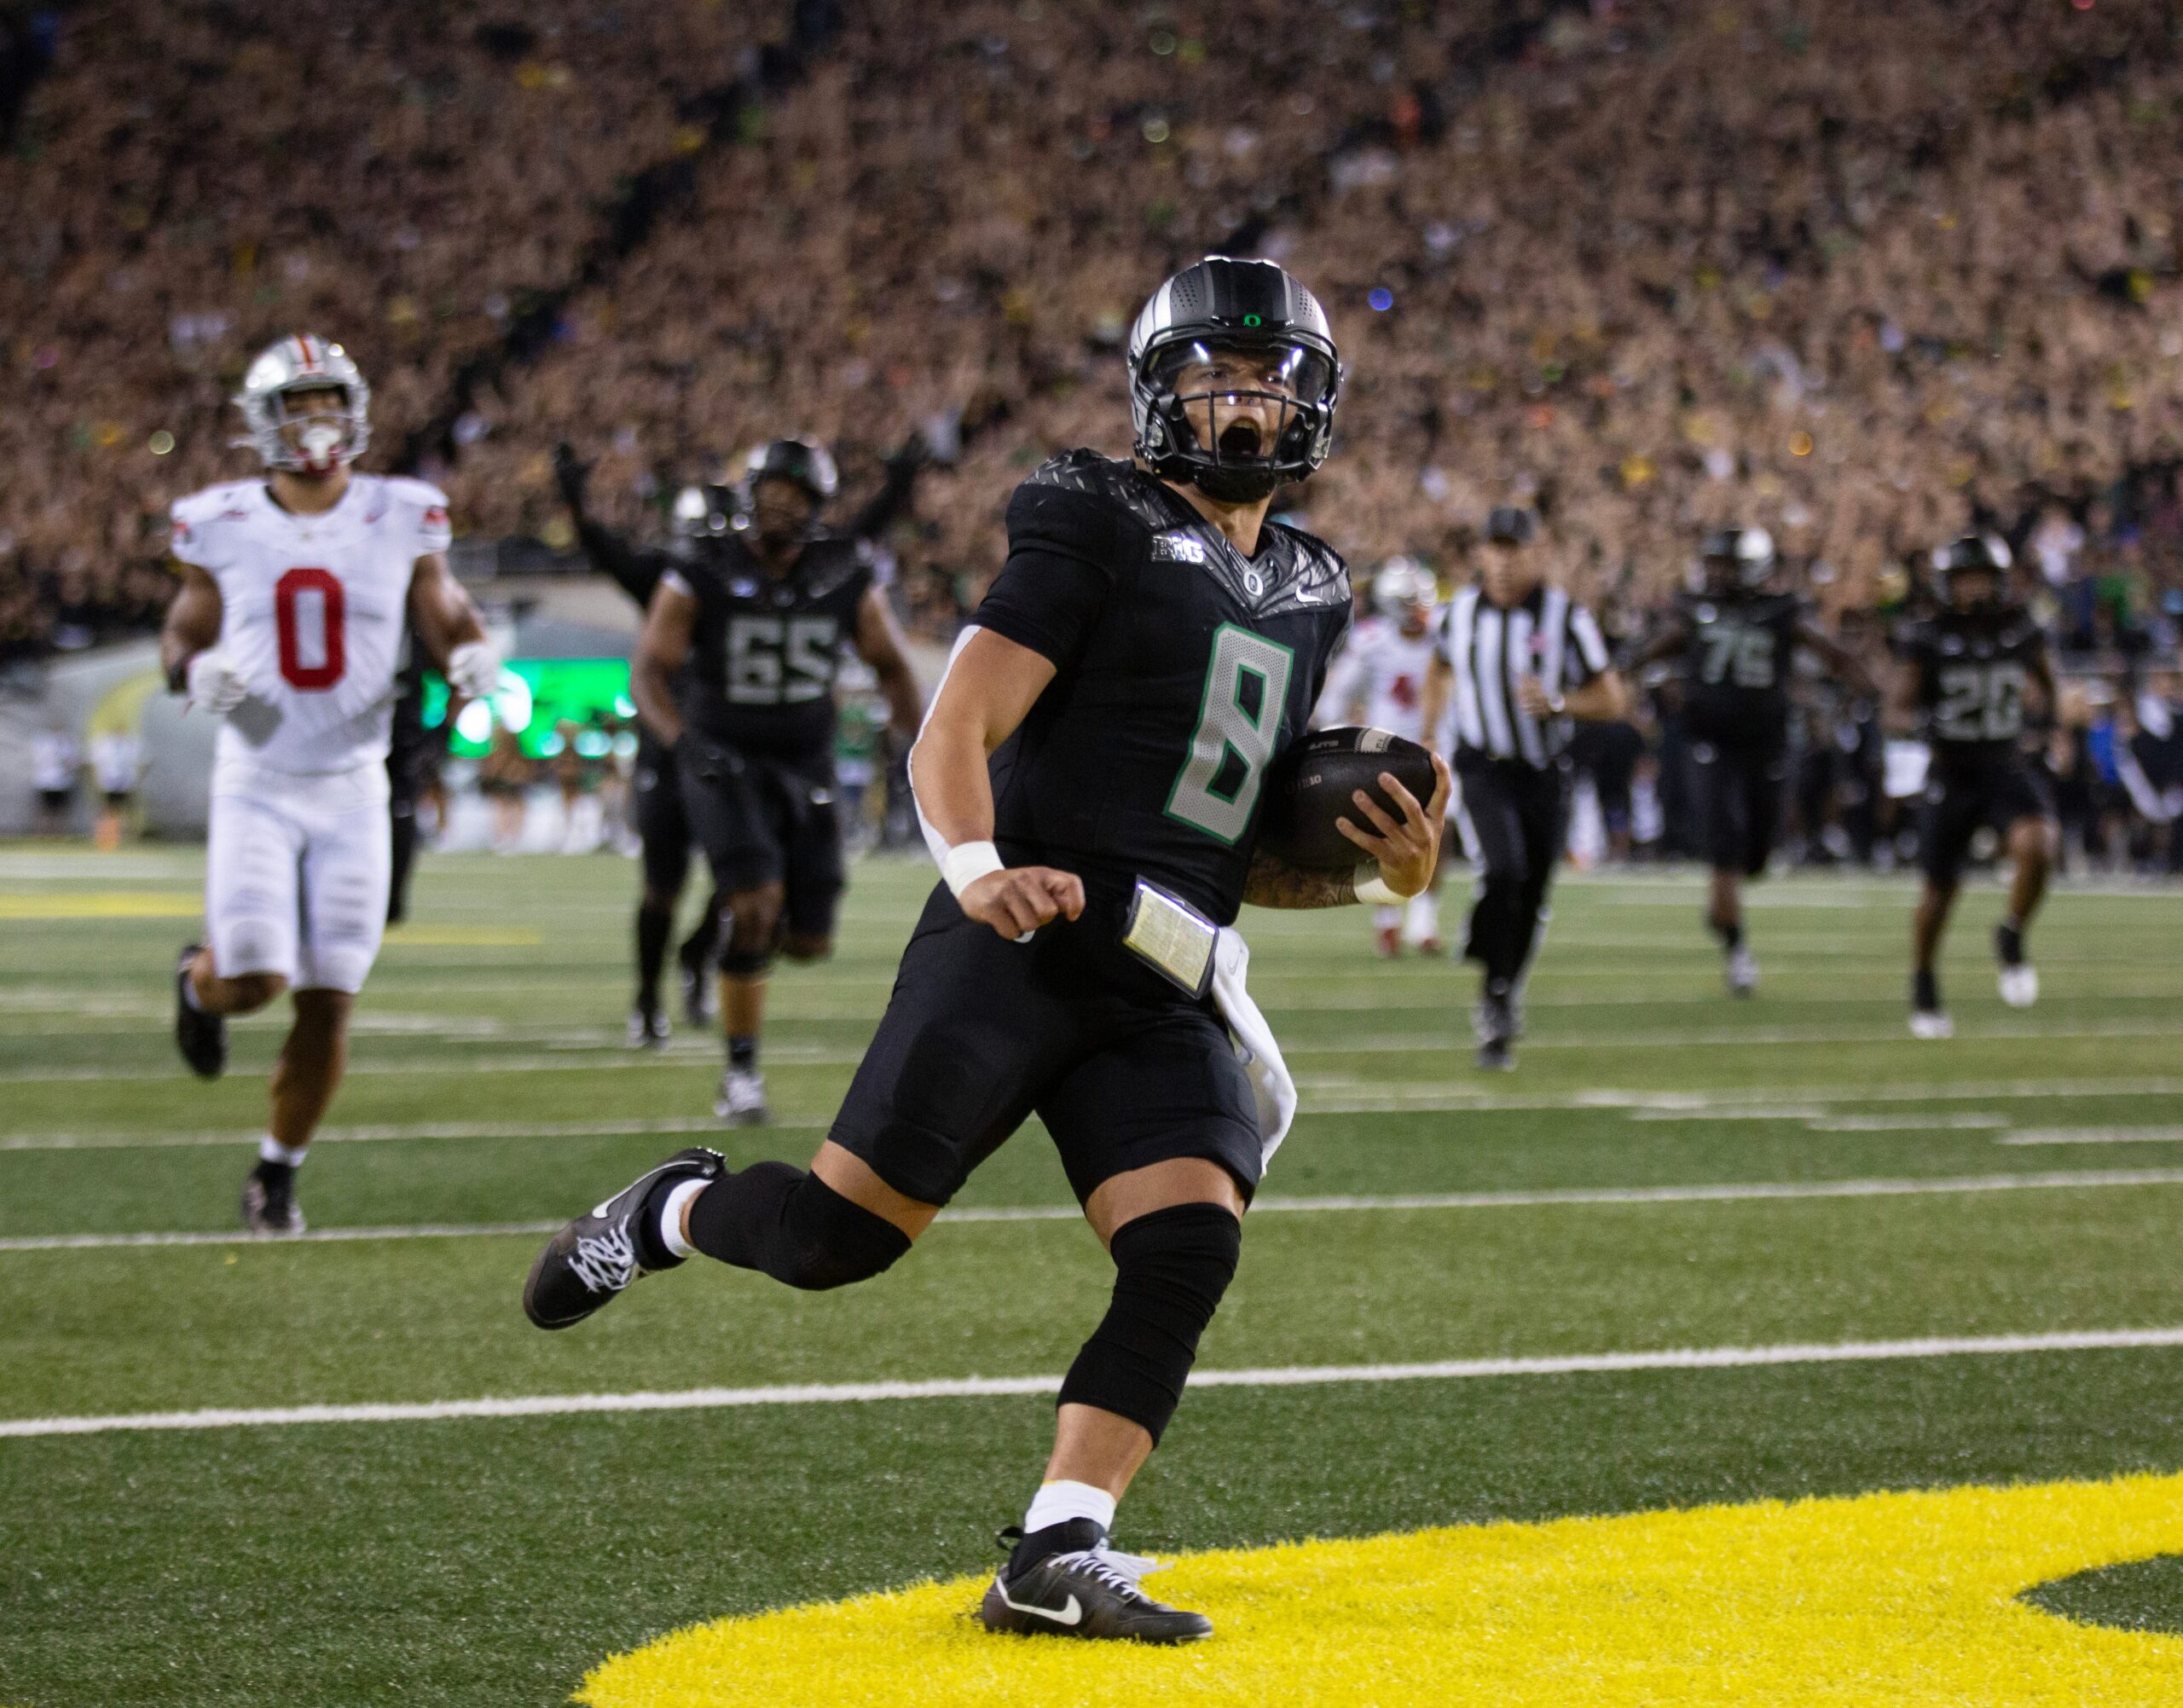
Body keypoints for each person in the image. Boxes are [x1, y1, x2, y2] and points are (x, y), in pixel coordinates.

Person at [522, 257, 1448, 1643]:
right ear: (1157, 388)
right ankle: (665, 1212)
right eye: (1211, 377)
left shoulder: (1315, 583)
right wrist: (977, 868)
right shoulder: (1092, 516)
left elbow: (1231, 838)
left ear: (1314, 401)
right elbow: (952, 723)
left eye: (1269, 383)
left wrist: (1384, 869)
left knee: (1189, 1238)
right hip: (1014, 940)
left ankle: (1059, 1543)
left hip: (1162, 973)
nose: (1242, 408)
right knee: (841, 1241)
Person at [161, 333, 498, 1233]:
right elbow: (183, 631)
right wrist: (192, 672)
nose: (316, 422)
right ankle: (199, 986)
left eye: (327, 402)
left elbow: (443, 607)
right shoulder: (220, 518)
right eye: (296, 405)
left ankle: (276, 1170)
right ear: (264, 422)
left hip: (354, 777)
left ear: (353, 411)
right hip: (260, 772)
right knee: (258, 976)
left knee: (330, 992)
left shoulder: (402, 511)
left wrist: (470, 649)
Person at [629, 437, 924, 1122]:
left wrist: (921, 743)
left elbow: (892, 664)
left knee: (808, 939)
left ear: (819, 506)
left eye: (796, 495)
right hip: (724, 758)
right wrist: (682, 742)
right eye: (771, 491)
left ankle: (707, 948)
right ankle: (741, 1076)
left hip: (806, 762)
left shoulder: (842, 571)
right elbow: (649, 669)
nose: (780, 506)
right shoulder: (702, 564)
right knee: (757, 902)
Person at [1421, 506, 1627, 1069]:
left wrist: (1560, 702)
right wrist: (1429, 732)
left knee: (1533, 892)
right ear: (1481, 553)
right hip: (1482, 763)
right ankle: (1493, 981)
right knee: (1505, 867)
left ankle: (1502, 988)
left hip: (1543, 770)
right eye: (1496, 548)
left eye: (1516, 549)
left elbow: (1613, 698)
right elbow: (1438, 668)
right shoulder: (1458, 612)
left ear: (1540, 553)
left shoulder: (1566, 618)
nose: (1504, 562)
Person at [1632, 527, 1873, 994]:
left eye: (1728, 565)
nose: (1718, 574)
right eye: (1715, 564)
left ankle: (1724, 909)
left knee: (1758, 856)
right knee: (1725, 844)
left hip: (1766, 744)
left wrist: (1860, 679)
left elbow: (1828, 650)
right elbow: (1657, 647)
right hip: (1710, 740)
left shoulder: (1781, 612)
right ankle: (1738, 952)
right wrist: (1628, 667)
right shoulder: (1695, 611)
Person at [1890, 534, 2057, 1038]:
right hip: (1952, 770)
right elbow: (1896, 705)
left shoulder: (2019, 629)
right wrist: (1919, 726)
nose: (1975, 589)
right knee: (1940, 891)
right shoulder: (1930, 635)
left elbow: (2048, 686)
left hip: (2003, 765)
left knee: (2041, 844)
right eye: (1966, 580)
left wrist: (2049, 726)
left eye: (1983, 578)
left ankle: (2011, 933)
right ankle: (1924, 981)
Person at [1316, 554, 1448, 955]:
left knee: (1442, 835)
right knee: (1383, 836)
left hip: (1438, 745)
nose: (1419, 609)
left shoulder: (1444, 635)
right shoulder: (1373, 642)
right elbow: (1336, 696)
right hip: (1386, 751)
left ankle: (1424, 922)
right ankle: (1388, 920)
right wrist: (1340, 734)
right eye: (1410, 602)